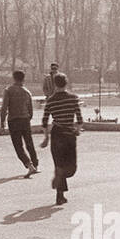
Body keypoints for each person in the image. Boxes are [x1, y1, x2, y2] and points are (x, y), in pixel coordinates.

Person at [40, 72, 83, 205]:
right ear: (66, 83)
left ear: (55, 84)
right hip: (69, 134)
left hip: (56, 133)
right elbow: (80, 120)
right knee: (71, 167)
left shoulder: (50, 100)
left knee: (59, 164)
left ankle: (60, 195)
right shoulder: (73, 98)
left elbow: (44, 120)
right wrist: (76, 130)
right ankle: (60, 190)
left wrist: (46, 138)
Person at [1, 69, 39, 177]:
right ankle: (35, 164)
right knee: (29, 143)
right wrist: (27, 118)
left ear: (13, 78)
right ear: (23, 79)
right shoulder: (27, 92)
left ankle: (29, 165)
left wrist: (2, 122)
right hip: (25, 119)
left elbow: (4, 108)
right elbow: (31, 111)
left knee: (18, 146)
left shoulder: (8, 90)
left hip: (13, 120)